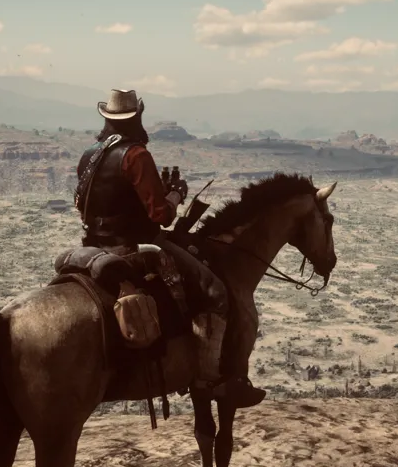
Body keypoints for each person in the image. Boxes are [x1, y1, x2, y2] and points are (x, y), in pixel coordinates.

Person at [75, 88, 265, 408]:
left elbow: (83, 204)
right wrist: (175, 194)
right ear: (136, 117)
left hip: (93, 246)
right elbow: (160, 216)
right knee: (215, 291)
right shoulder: (136, 155)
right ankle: (208, 378)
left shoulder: (89, 155)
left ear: (107, 118)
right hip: (133, 245)